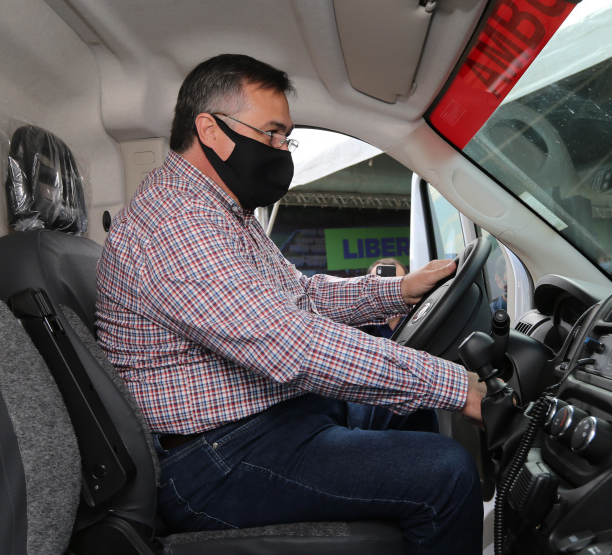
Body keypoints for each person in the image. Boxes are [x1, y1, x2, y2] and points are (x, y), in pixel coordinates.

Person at [96, 54, 488, 554]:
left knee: (402, 408)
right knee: (447, 475)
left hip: (264, 425)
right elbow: (290, 345)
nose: (282, 151)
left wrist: (397, 291)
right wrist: (453, 385)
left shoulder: (223, 212)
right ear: (210, 130)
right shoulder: (175, 222)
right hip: (217, 460)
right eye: (272, 134)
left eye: (287, 138)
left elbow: (300, 297)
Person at [359, 258, 408, 339]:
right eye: (378, 283)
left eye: (395, 283)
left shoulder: (418, 320)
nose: (386, 290)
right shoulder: (359, 327)